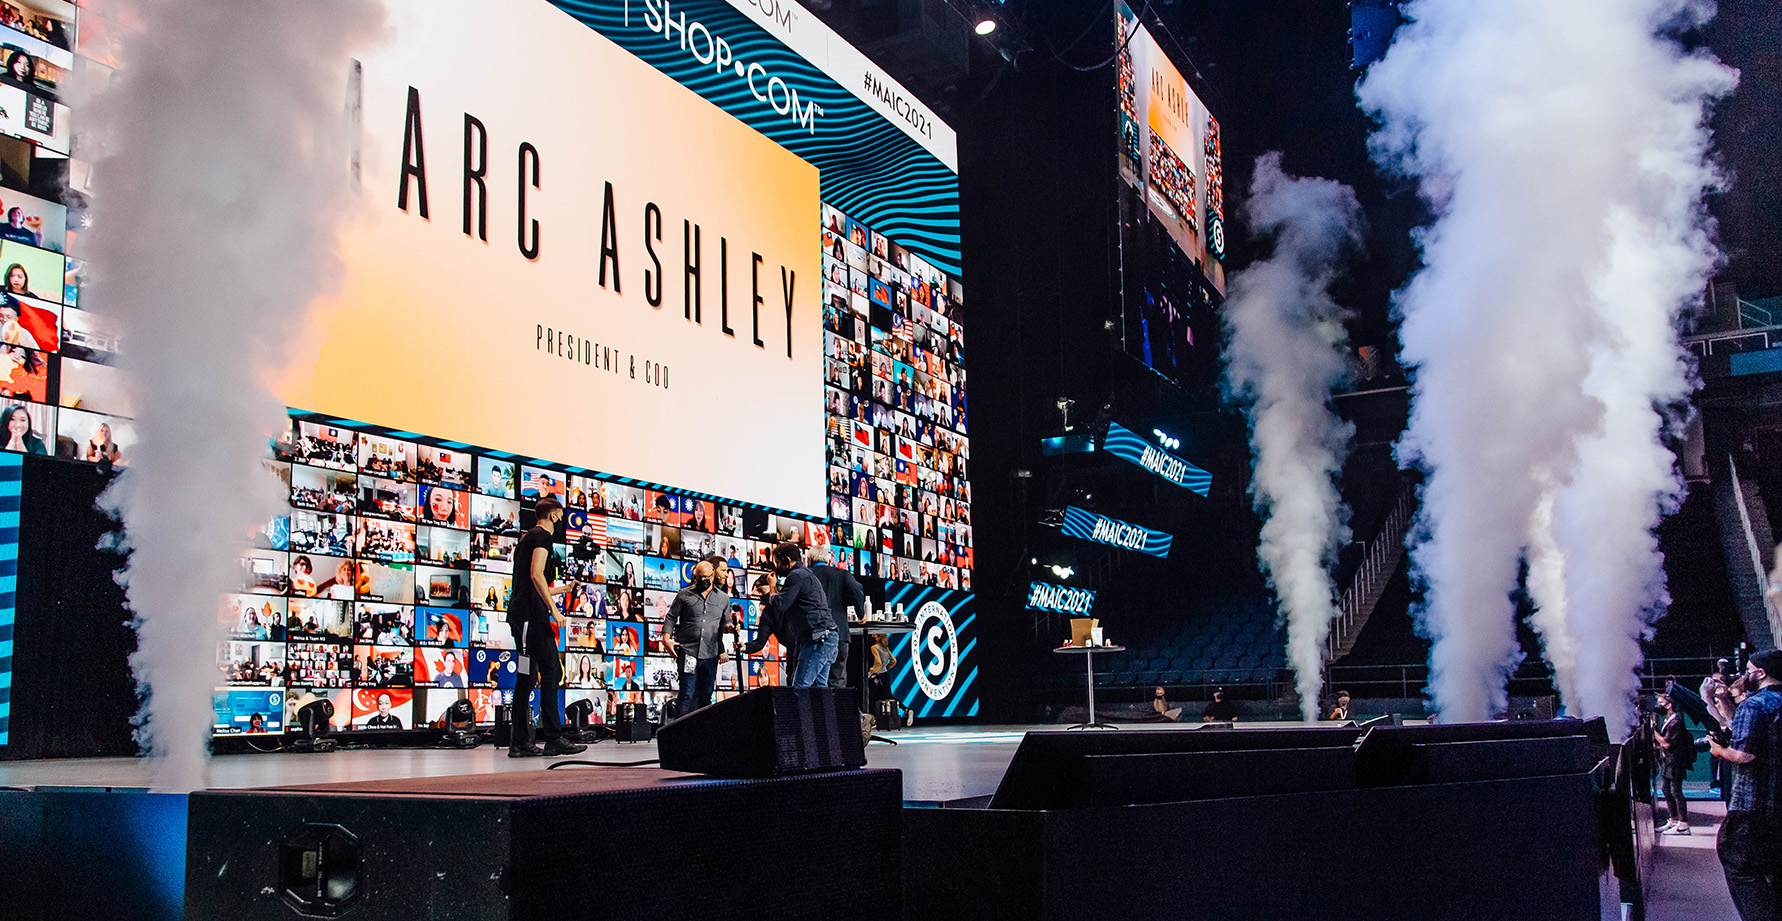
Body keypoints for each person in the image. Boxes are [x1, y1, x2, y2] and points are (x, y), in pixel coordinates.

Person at [506, 498, 585, 757]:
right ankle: (551, 737)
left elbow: (534, 583)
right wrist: (555, 610)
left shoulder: (528, 538)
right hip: (531, 620)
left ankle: (522, 742)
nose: (562, 521)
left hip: (526, 619)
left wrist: (562, 589)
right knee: (549, 671)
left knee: (530, 677)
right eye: (561, 516)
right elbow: (536, 574)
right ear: (554, 516)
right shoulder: (542, 537)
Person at [1711, 648, 1782, 920]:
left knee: (1740, 865)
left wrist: (1718, 751)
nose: (1744, 676)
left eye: (1748, 671)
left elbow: (1744, 754)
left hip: (1753, 809)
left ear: (1761, 674)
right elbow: (1746, 730)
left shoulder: (1754, 705)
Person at [754, 542, 838, 688]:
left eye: (778, 563)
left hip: (817, 638)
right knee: (820, 691)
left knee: (799, 688)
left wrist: (772, 586)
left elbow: (780, 605)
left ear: (787, 561)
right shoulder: (805, 574)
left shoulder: (796, 576)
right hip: (825, 637)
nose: (776, 567)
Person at [666, 560, 729, 717]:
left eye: (704, 577)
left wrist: (730, 627)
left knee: (706, 696)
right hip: (688, 652)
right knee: (686, 694)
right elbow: (671, 617)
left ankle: (703, 734)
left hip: (710, 654)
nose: (700, 581)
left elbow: (725, 622)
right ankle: (679, 734)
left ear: (712, 575)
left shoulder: (723, 598)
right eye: (697, 577)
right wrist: (666, 638)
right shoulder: (684, 594)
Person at [806, 548, 865, 695]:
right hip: (840, 634)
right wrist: (860, 613)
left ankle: (815, 717)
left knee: (811, 682)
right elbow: (857, 589)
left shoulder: (805, 576)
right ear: (828, 560)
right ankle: (837, 716)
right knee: (837, 681)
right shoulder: (841, 574)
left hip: (812, 635)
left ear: (809, 560)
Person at [1652, 691, 1694, 834]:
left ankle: (1683, 824)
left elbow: (1667, 743)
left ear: (1669, 705)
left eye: (1661, 703)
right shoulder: (1667, 720)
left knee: (1676, 791)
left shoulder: (1676, 722)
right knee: (1666, 790)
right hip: (1667, 761)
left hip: (1676, 761)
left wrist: (1653, 731)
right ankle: (1673, 819)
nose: (1658, 706)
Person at [1707, 658, 1740, 799]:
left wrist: (1712, 697)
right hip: (1724, 753)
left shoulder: (1735, 701)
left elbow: (1730, 722)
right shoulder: (1719, 700)